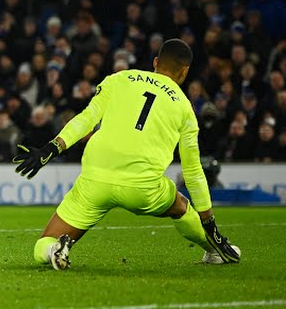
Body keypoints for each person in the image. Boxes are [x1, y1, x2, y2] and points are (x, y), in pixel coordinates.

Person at [12, 39, 241, 270]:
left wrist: (52, 148)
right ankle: (213, 250)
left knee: (43, 242)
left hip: (96, 178)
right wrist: (210, 226)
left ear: (155, 62)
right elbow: (193, 172)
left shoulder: (119, 79)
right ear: (184, 71)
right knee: (180, 205)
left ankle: (54, 250)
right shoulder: (185, 108)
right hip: (142, 186)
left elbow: (87, 119)